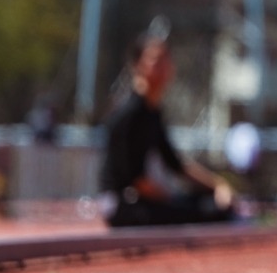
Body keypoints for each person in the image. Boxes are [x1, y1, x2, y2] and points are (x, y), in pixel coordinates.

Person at [98, 36, 235, 228]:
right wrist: (173, 199)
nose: (164, 65)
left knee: (210, 203)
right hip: (122, 203)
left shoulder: (153, 112)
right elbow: (134, 179)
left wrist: (218, 185)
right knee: (204, 213)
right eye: (156, 59)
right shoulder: (128, 113)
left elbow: (175, 163)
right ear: (138, 65)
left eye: (166, 59)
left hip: (142, 198)